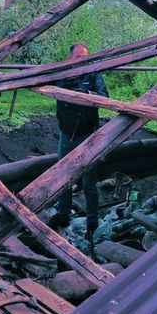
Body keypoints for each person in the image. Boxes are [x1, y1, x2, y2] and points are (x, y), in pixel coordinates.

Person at [49, 44, 109, 240]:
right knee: (64, 177)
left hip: (87, 136)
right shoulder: (62, 75)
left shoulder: (94, 74)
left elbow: (104, 97)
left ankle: (92, 221)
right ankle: (62, 215)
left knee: (88, 180)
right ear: (70, 58)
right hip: (66, 134)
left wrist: (85, 94)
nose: (82, 60)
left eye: (85, 57)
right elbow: (53, 89)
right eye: (78, 56)